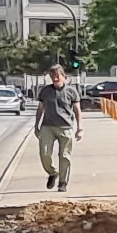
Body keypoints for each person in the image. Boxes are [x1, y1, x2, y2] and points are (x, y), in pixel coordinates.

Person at [26, 64, 80, 193]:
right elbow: (40, 109)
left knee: (65, 156)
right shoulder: (45, 91)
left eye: (57, 76)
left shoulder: (71, 91)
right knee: (44, 153)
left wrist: (80, 128)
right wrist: (36, 125)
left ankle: (63, 182)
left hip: (65, 127)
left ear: (63, 76)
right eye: (52, 77)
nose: (55, 79)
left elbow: (77, 110)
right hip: (47, 126)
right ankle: (52, 172)